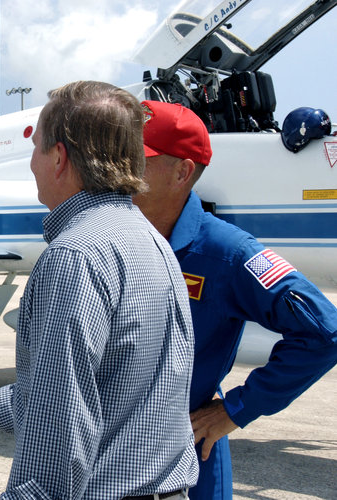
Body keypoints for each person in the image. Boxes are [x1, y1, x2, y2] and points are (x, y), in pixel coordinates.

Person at [0, 81, 199, 499]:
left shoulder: (76, 255)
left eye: (36, 148)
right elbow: (68, 388)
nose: (31, 164)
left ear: (59, 157)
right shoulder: (153, 243)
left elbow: (61, 421)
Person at [133, 100, 337, 500]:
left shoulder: (226, 253)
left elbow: (323, 332)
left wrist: (235, 410)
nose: (118, 170)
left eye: (137, 159)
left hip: (185, 456)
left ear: (182, 171)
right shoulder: (116, 236)